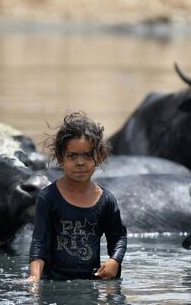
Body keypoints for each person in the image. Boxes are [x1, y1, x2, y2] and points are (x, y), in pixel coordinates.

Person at [26, 112, 127, 281]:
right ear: (60, 158)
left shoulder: (106, 201)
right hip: (54, 282)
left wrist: (114, 260)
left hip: (92, 282)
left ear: (99, 157)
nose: (80, 163)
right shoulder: (48, 197)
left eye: (87, 156)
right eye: (72, 156)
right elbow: (39, 241)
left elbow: (118, 237)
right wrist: (34, 278)